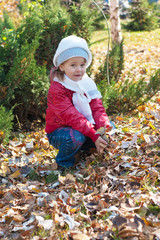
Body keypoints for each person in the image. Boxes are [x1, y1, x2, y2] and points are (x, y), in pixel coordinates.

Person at [45, 35, 113, 168]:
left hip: (82, 127)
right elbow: (72, 117)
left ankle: (86, 151)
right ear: (62, 66)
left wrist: (103, 128)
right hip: (60, 130)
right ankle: (64, 164)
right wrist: (93, 134)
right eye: (73, 65)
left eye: (82, 65)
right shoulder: (57, 88)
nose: (79, 69)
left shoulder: (86, 83)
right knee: (75, 137)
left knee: (110, 128)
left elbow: (97, 108)